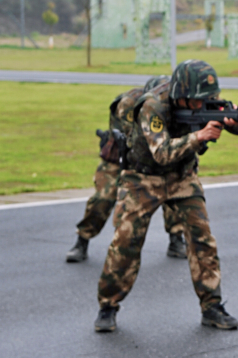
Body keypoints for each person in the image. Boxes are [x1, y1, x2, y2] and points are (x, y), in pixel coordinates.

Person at [94, 60, 238, 333]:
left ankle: (212, 306)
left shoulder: (203, 99)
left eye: (208, 99)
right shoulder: (153, 106)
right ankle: (108, 306)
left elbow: (227, 120)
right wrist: (199, 136)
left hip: (182, 176)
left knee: (202, 238)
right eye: (198, 101)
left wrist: (236, 123)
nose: (203, 104)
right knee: (126, 242)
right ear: (182, 95)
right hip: (143, 178)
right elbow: (161, 153)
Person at [65, 75, 188, 262]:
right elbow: (134, 139)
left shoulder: (172, 105)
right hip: (119, 156)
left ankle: (176, 239)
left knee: (173, 187)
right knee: (103, 198)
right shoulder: (130, 104)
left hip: (152, 157)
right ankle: (82, 240)